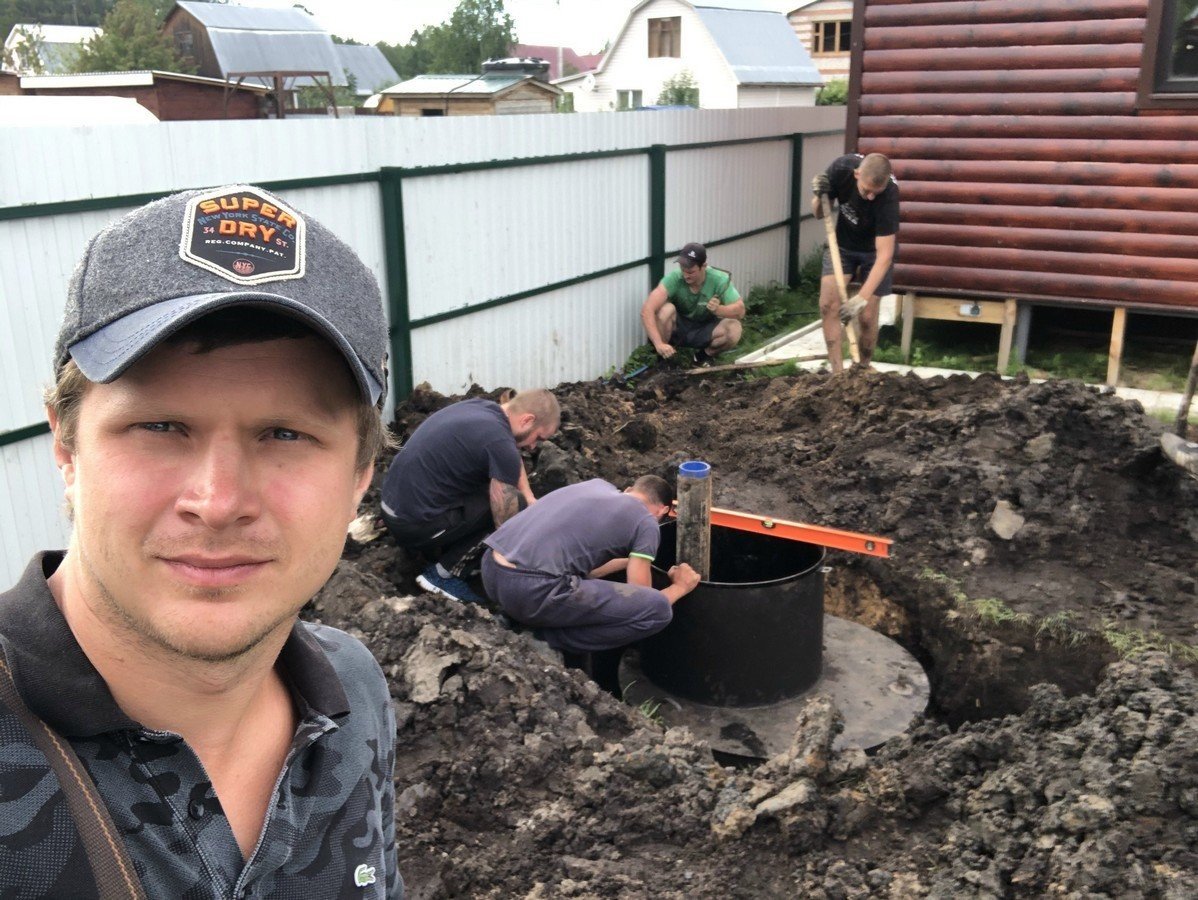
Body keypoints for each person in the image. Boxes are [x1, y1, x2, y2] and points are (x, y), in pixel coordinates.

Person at [0, 186, 402, 897]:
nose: (218, 503)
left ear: (359, 476)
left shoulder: (353, 689)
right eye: (159, 427)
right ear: (66, 447)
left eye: (285, 434)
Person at [480, 476, 701, 654]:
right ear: (663, 510)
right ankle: (540, 637)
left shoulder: (596, 486)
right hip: (532, 591)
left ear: (629, 489)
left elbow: (583, 565)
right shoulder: (647, 521)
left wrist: (628, 562)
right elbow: (641, 599)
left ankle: (513, 617)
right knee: (658, 610)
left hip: (491, 570)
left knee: (574, 577)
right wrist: (679, 587)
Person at [380, 390, 560, 604]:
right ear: (527, 420)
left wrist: (530, 498)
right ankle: (443, 575)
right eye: (538, 438)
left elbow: (510, 457)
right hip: (413, 525)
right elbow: (506, 528)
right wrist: (521, 564)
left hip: (393, 508)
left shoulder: (481, 409)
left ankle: (446, 548)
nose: (533, 446)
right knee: (512, 507)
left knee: (507, 494)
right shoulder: (500, 442)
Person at [812, 152, 900, 373]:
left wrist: (862, 297)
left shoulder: (889, 195)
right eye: (866, 190)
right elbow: (818, 213)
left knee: (867, 316)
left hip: (875, 252)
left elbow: (884, 256)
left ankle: (862, 368)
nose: (870, 197)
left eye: (875, 192)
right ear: (857, 174)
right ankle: (837, 374)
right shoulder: (841, 169)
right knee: (828, 306)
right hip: (842, 245)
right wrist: (819, 196)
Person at [642, 242, 745, 366]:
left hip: (705, 328)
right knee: (666, 310)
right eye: (683, 270)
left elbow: (740, 311)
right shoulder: (674, 278)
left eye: (691, 272)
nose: (686, 275)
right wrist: (658, 344)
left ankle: (702, 357)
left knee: (734, 328)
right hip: (679, 328)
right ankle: (664, 358)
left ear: (703, 266)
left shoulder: (719, 279)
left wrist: (718, 309)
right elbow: (647, 310)